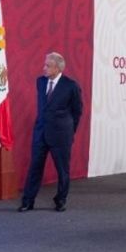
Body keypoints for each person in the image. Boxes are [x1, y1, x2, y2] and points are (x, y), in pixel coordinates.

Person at [18, 52, 83, 213]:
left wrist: (69, 132)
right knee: (34, 168)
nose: (44, 68)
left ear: (58, 68)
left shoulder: (71, 86)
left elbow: (77, 111)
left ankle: (61, 200)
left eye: (47, 65)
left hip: (61, 135)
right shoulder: (40, 82)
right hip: (41, 133)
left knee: (62, 170)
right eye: (45, 64)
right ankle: (28, 201)